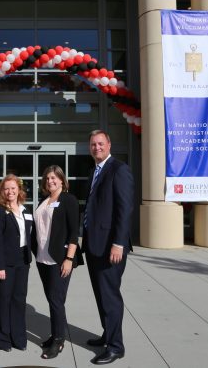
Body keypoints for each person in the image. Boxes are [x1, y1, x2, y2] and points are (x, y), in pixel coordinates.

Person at [83, 130, 134, 365]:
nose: (96, 147)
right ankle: (107, 333)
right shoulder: (94, 170)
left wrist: (119, 243)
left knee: (110, 296)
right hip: (94, 246)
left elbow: (125, 210)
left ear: (109, 144)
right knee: (100, 295)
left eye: (100, 144)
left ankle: (116, 346)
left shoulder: (118, 169)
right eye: (93, 144)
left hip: (111, 247)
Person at [32, 165, 81, 359]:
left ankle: (59, 341)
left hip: (59, 259)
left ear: (62, 180)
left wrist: (69, 258)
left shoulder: (68, 200)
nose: (50, 181)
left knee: (56, 300)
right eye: (47, 178)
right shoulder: (45, 201)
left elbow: (73, 233)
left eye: (54, 178)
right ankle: (55, 335)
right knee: (53, 300)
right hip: (42, 258)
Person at [0, 174, 33, 352]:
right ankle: (3, 339)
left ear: (19, 190)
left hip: (23, 262)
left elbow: (31, 236)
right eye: (6, 188)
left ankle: (19, 338)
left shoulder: (25, 210)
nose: (10, 191)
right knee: (3, 300)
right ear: (2, 191)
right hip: (4, 265)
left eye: (13, 188)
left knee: (19, 300)